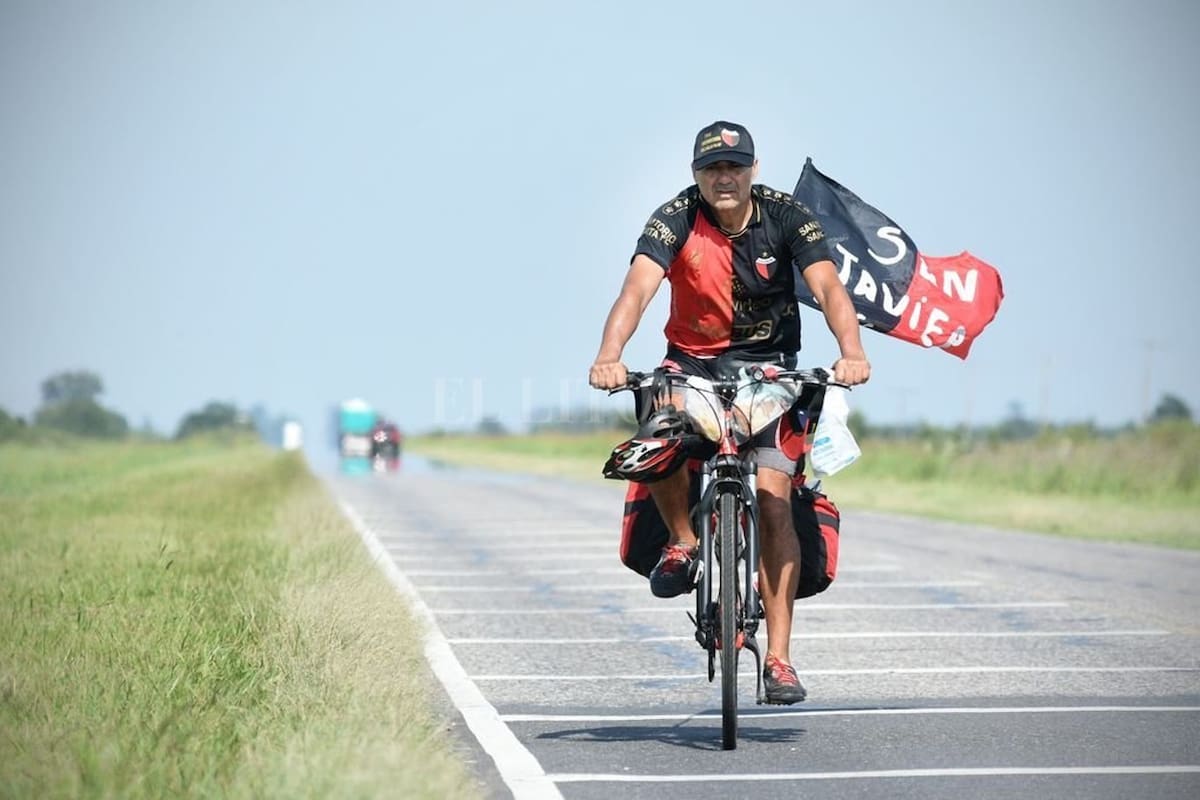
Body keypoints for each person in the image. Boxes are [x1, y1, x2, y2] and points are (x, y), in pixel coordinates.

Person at [588, 120, 870, 704]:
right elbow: (636, 290)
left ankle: (781, 661)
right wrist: (609, 355)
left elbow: (829, 288)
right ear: (696, 174)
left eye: (735, 167)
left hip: (771, 371)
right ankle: (684, 539)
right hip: (690, 364)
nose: (724, 177)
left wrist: (852, 352)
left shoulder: (787, 216)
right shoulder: (675, 217)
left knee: (773, 500)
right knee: (658, 423)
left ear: (753, 171)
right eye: (713, 168)